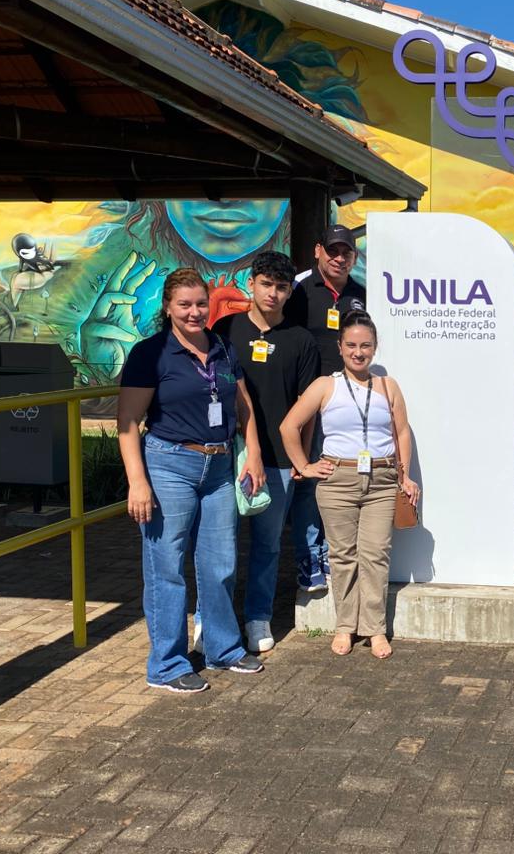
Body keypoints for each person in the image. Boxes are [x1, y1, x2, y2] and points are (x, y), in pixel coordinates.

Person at [118, 268, 266, 693]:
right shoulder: (151, 353)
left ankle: (223, 649)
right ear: (168, 307)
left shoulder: (220, 347)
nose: (194, 312)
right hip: (169, 465)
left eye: (200, 303)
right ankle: (167, 664)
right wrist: (137, 481)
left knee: (220, 562)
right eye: (184, 304)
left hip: (220, 469)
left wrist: (252, 453)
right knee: (167, 568)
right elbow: (127, 421)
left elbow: (244, 405)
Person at [279, 311, 420, 659]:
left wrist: (405, 475)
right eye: (352, 345)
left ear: (375, 348)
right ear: (340, 347)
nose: (359, 352)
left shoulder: (388, 385)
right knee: (342, 556)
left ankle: (374, 629)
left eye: (366, 345)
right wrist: (304, 466)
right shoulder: (326, 386)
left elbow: (401, 431)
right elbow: (289, 427)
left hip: (383, 480)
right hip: (337, 480)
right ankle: (345, 625)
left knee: (375, 555)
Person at [202, 252, 320, 655]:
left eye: (282, 287)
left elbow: (308, 408)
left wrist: (301, 461)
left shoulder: (301, 340)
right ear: (251, 283)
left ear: (289, 292)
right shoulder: (224, 329)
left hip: (278, 462)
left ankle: (257, 618)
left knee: (268, 547)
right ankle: (207, 618)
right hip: (224, 457)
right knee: (219, 545)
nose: (273, 293)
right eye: (266, 283)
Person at [284, 224, 367, 593]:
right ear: (319, 251)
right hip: (308, 401)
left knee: (339, 478)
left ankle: (334, 553)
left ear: (354, 256)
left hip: (347, 403)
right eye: (332, 250)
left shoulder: (360, 294)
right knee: (309, 480)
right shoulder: (300, 289)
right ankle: (309, 556)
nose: (339, 257)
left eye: (345, 252)